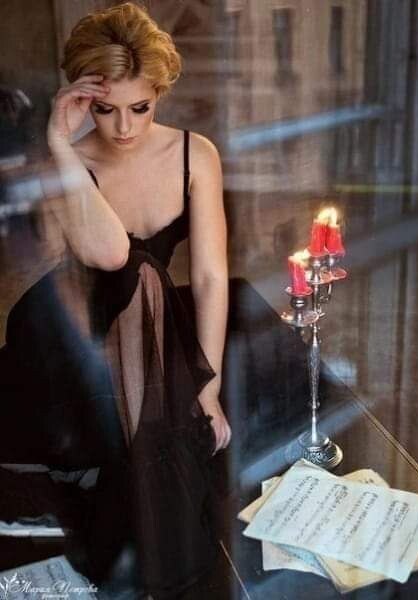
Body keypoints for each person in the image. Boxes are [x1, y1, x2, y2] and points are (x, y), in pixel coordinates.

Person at [0, 2, 230, 598]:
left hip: (153, 326)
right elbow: (107, 256)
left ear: (159, 94)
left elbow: (210, 276)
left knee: (152, 281)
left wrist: (208, 388)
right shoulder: (68, 158)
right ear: (83, 103)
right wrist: (59, 142)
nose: (124, 127)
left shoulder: (196, 154)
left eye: (140, 107)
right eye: (105, 109)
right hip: (76, 332)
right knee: (137, 270)